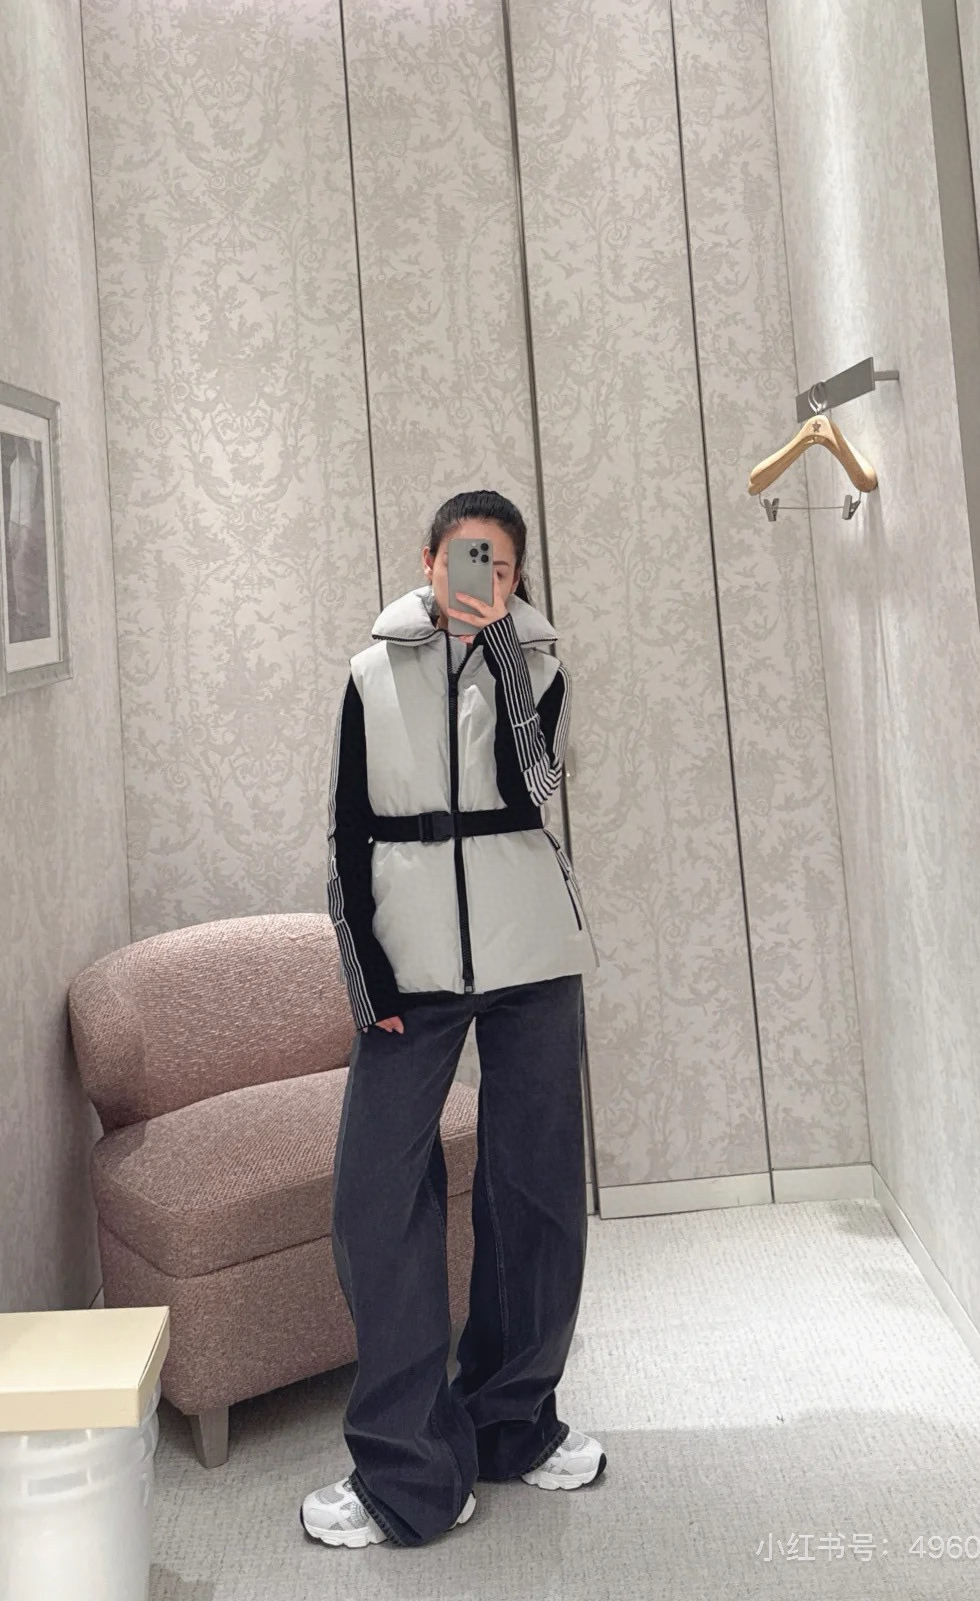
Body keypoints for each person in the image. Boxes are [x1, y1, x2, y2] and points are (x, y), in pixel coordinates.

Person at [301, 488, 605, 1551]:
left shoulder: (543, 666)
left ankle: (514, 1421)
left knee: (537, 1190)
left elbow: (537, 787)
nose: (484, 579)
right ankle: (406, 1467)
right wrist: (368, 980)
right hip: (412, 966)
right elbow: (344, 834)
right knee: (376, 1197)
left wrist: (505, 657)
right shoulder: (368, 675)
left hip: (532, 954)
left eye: (503, 567)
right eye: (467, 559)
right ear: (428, 559)